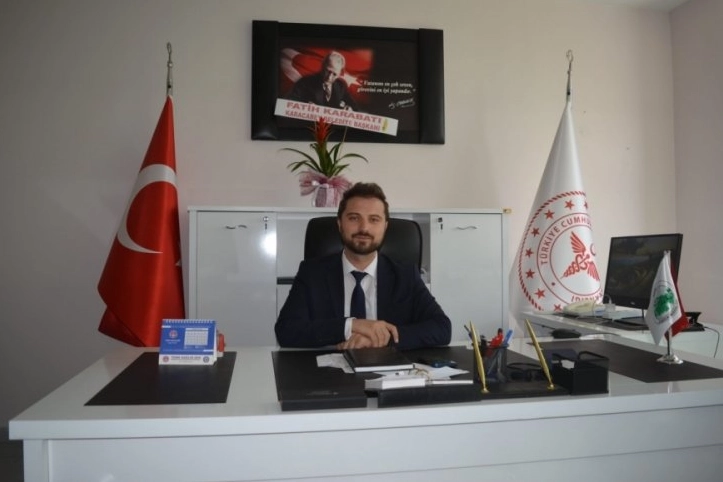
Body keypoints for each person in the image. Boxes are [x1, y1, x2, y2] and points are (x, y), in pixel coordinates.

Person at [275, 182, 451, 350]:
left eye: (374, 219)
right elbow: (286, 330)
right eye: (354, 218)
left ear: (385, 227)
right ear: (340, 224)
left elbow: (442, 328)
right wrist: (352, 325)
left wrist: (380, 339)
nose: (364, 228)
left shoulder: (405, 275)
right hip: (329, 367)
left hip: (388, 367)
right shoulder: (312, 273)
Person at [286, 51, 357, 110]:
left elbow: (355, 107)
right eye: (328, 71)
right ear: (323, 66)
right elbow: (289, 103)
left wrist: (350, 109)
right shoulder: (304, 83)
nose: (329, 77)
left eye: (334, 74)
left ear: (340, 74)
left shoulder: (341, 86)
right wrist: (304, 107)